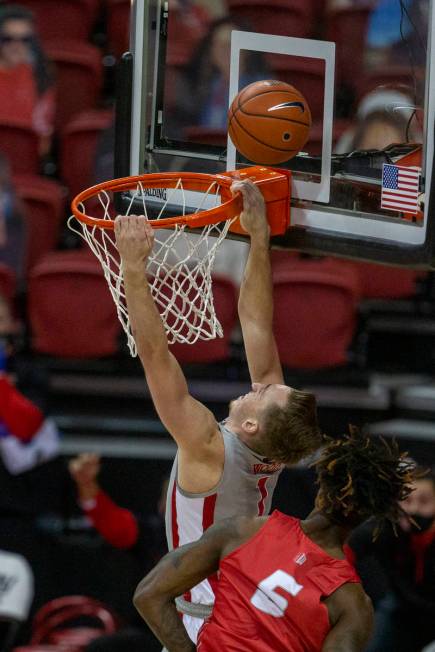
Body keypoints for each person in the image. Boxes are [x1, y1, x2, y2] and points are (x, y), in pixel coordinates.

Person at [114, 179, 322, 643]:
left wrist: (132, 266)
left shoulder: (209, 445)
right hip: (253, 613)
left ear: (251, 423)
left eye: (266, 393)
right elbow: (256, 325)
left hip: (207, 620)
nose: (263, 385)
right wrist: (258, 238)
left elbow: (154, 354)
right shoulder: (274, 444)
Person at [133, 427, 416, 652]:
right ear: (368, 517)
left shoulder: (244, 532)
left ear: (320, 489)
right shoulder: (352, 604)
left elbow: (149, 595)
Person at [347, 467, 435, 652]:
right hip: (401, 608)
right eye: (407, 500)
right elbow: (345, 551)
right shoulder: (383, 529)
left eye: (425, 501)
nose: (415, 509)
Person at [0, 4, 55, 154]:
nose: (16, 45)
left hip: (25, 162)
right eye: (8, 39)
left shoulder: (40, 77)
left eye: (24, 39)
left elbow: (44, 142)